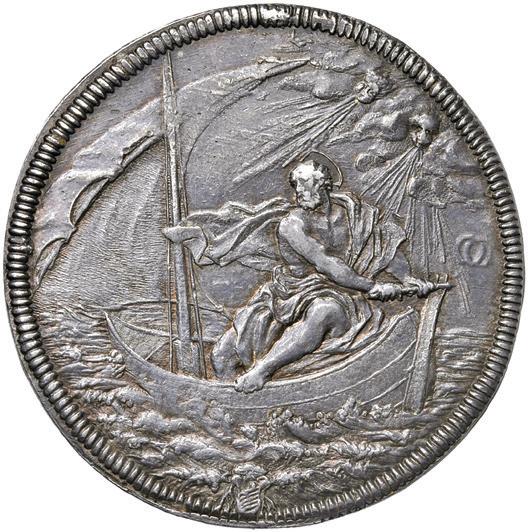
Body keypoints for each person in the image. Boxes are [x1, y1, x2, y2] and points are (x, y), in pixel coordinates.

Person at [164, 156, 434, 393]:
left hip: (338, 295)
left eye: (305, 185)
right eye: (296, 186)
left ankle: (262, 371)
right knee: (222, 356)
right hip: (289, 294)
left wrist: (407, 279)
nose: (298, 193)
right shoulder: (292, 225)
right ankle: (229, 409)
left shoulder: (356, 215)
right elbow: (325, 263)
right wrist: (371, 286)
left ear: (325, 185)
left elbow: (383, 247)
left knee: (325, 310)